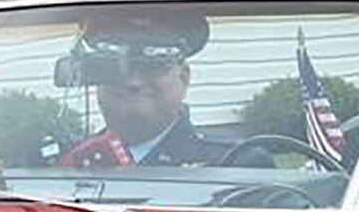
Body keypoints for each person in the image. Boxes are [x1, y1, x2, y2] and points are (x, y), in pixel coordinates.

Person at [60, 9, 240, 166]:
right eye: (114, 66)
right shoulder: (65, 162)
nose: (133, 82)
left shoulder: (235, 164)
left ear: (184, 77)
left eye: (152, 66)